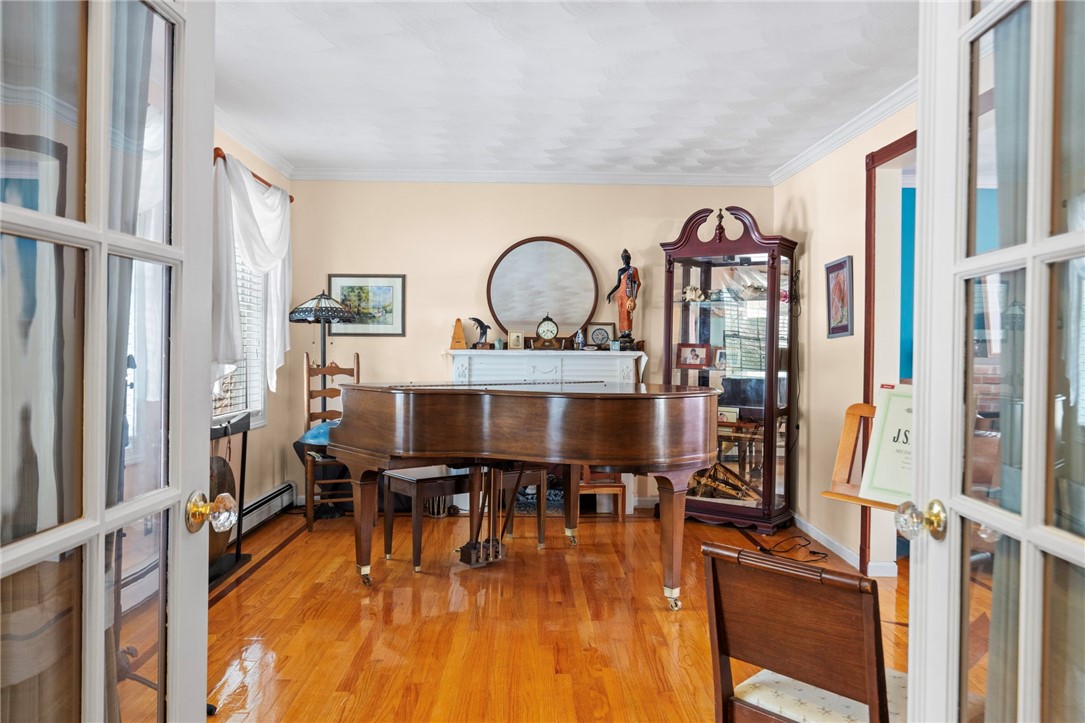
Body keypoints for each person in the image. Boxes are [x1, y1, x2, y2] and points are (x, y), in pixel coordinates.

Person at [606, 248, 641, 338]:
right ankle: (622, 332)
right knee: (621, 313)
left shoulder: (634, 270)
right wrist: (610, 293)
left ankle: (628, 332)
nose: (625, 260)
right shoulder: (620, 271)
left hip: (629, 296)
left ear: (630, 258)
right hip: (620, 295)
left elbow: (637, 282)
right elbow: (618, 284)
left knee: (627, 313)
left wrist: (633, 296)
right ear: (622, 260)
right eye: (623, 258)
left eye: (627, 258)